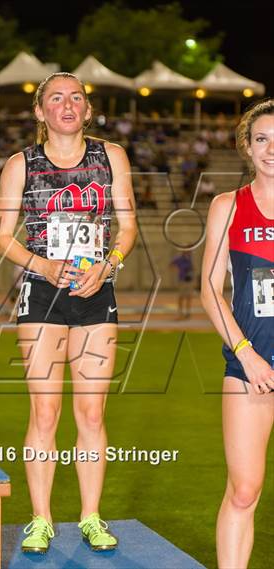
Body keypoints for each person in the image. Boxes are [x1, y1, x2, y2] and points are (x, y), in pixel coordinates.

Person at [0, 72, 137, 554]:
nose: (67, 103)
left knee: (92, 411)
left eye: (76, 96)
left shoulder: (111, 157)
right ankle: (40, 519)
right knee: (46, 409)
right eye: (55, 97)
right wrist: (43, 265)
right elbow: (2, 238)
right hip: (42, 293)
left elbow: (129, 227)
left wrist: (108, 265)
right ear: (40, 112)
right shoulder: (21, 164)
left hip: (97, 291)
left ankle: (92, 517)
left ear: (88, 109)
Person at [201, 99, 274, 569]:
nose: (272, 149)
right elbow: (209, 289)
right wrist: (245, 353)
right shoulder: (228, 206)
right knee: (244, 491)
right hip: (252, 364)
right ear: (247, 147)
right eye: (262, 139)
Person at [170, 251, 194, 319]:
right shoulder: (179, 258)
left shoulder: (190, 258)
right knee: (181, 296)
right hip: (182, 280)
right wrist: (177, 270)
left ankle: (188, 312)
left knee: (189, 296)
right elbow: (171, 264)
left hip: (189, 280)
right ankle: (180, 312)